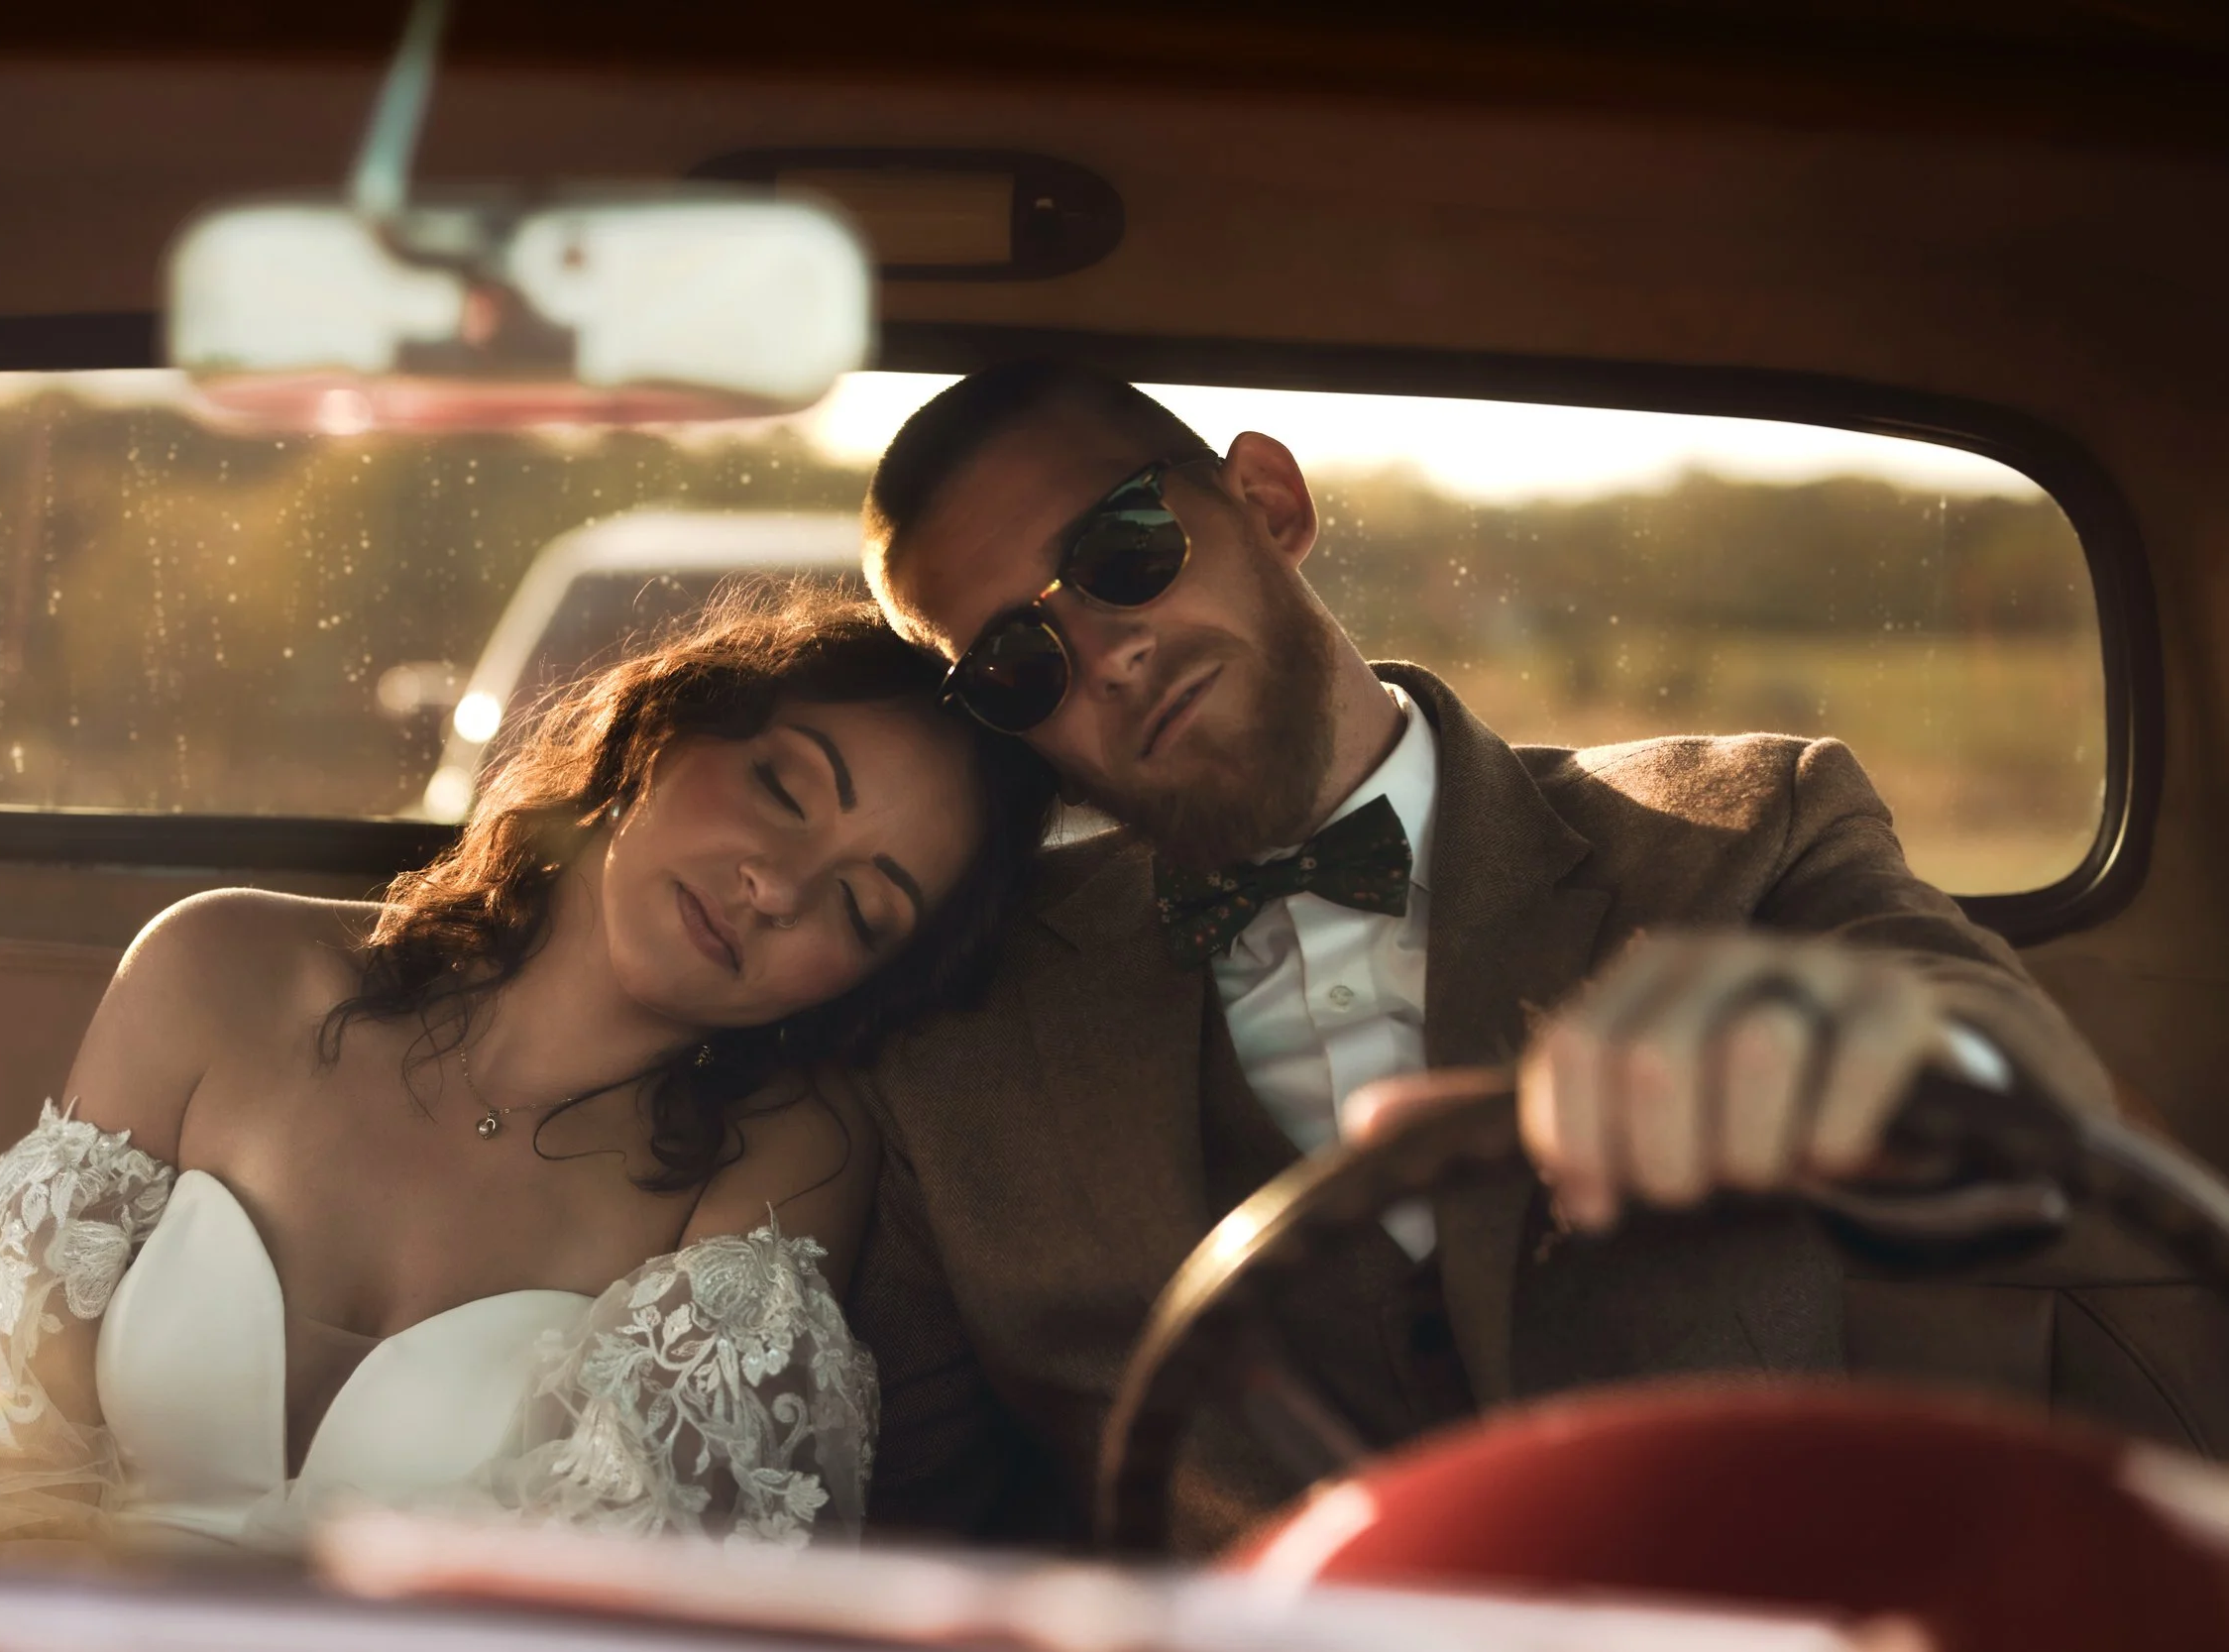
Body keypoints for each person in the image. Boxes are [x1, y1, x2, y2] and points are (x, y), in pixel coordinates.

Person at [841, 362, 2165, 1554]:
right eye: (1019, 664)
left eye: (1126, 550)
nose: (1108, 651)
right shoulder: (968, 1035)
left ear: (1270, 502)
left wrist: (1856, 1045)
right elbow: (916, 1542)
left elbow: (2020, 1079)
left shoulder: (1742, 828)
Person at [0, 584, 1057, 1557]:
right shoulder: (219, 969)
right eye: (785, 789)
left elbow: (640, 1599)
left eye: (860, 907)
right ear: (669, 730)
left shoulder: (776, 1158)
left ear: (862, 984)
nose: (779, 889)